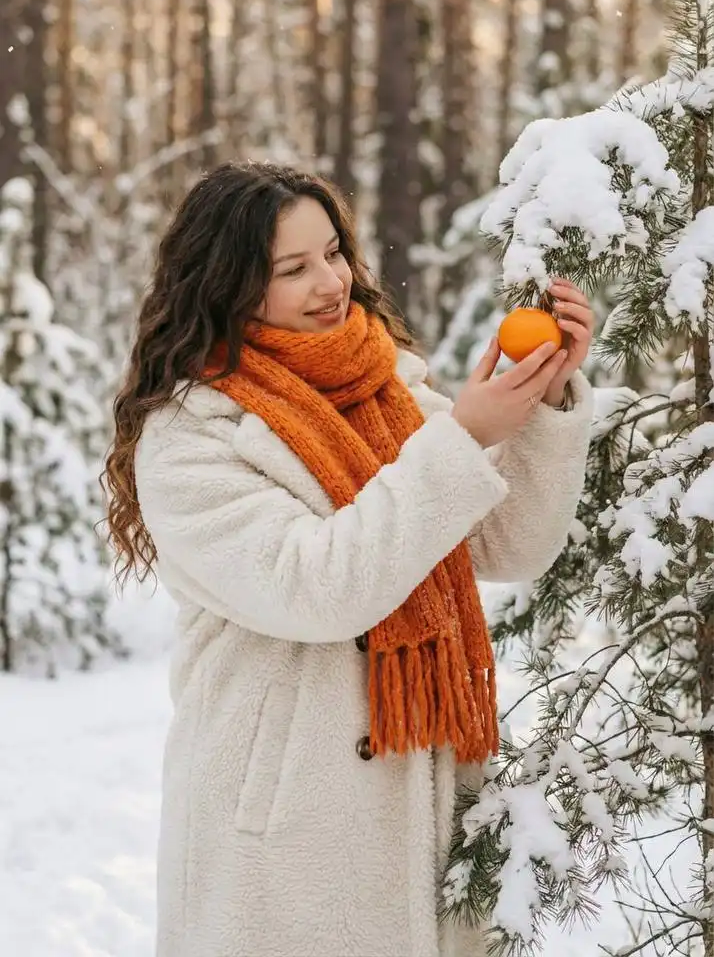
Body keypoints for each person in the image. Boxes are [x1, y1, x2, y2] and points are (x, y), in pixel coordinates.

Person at [103, 161, 594, 957]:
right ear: (227, 285)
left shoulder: (384, 387)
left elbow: (509, 544)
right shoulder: (191, 437)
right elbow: (320, 588)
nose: (331, 282)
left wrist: (545, 400)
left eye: (333, 252)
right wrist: (463, 438)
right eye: (292, 268)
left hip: (422, 801)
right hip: (285, 837)